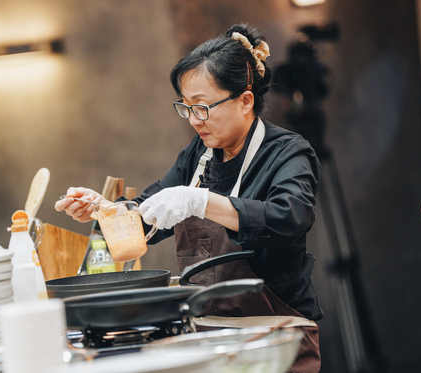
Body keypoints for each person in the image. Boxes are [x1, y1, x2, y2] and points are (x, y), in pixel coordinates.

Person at [55, 23, 322, 372]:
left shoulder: (287, 152)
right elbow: (148, 215)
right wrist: (105, 211)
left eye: (202, 107)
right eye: (186, 107)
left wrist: (200, 202)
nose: (194, 121)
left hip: (277, 338)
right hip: (210, 336)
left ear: (245, 101)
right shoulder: (198, 155)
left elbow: (290, 216)